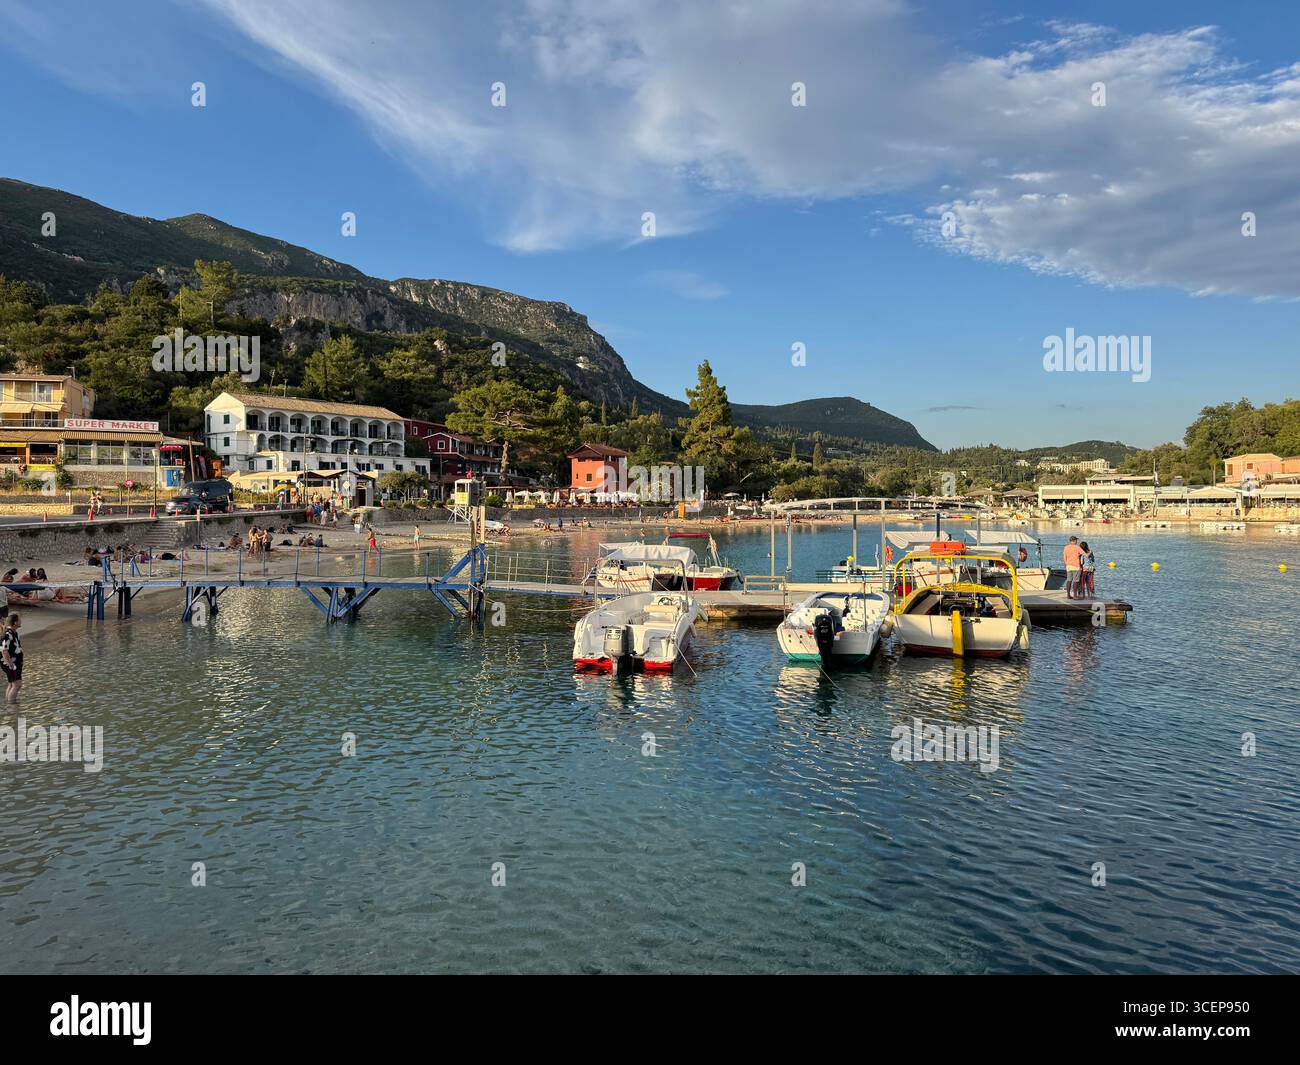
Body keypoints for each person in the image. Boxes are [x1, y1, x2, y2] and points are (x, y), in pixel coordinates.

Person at [1, 613, 22, 703]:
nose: (21, 621)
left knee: (11, 684)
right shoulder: (8, 634)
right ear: (15, 622)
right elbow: (4, 650)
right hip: (10, 664)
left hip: (14, 663)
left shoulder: (14, 633)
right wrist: (11, 665)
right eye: (19, 620)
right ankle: (12, 705)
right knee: (17, 685)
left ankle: (9, 705)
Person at [1062, 535, 1083, 599]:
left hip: (1068, 566)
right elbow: (1085, 554)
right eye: (1076, 540)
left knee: (1069, 580)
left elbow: (1064, 557)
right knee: (1076, 581)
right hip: (1076, 566)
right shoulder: (1077, 547)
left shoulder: (1066, 547)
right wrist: (1089, 553)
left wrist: (1066, 564)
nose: (1077, 541)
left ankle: (1068, 595)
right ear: (1074, 541)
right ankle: (1075, 596)